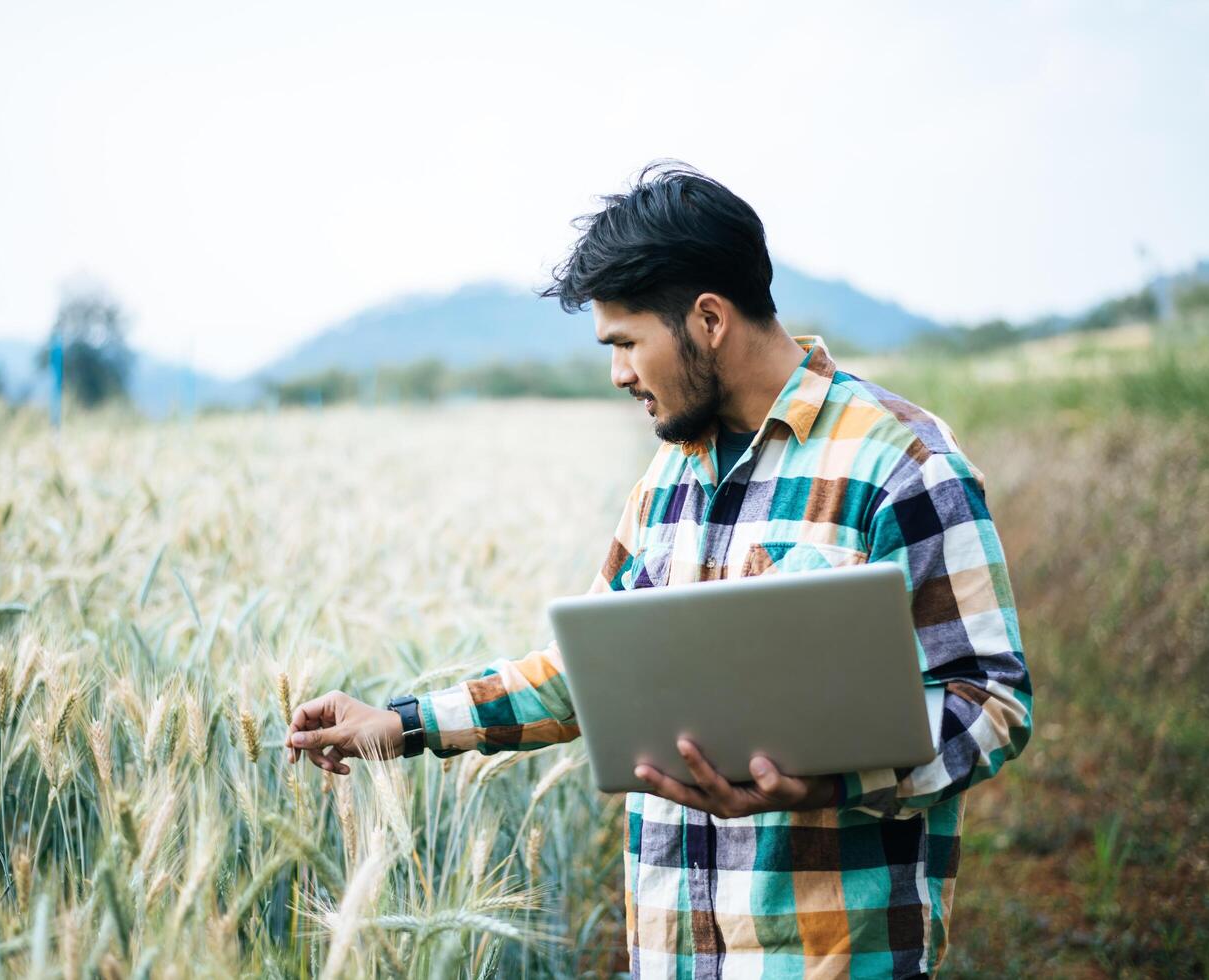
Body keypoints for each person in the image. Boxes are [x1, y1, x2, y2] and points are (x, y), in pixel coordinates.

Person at [284, 161, 1033, 978]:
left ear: (708, 319)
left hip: (831, 960)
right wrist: (400, 723)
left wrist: (828, 783)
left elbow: (990, 702)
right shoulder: (667, 480)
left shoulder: (902, 461)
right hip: (669, 955)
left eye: (626, 343)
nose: (618, 374)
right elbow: (593, 675)